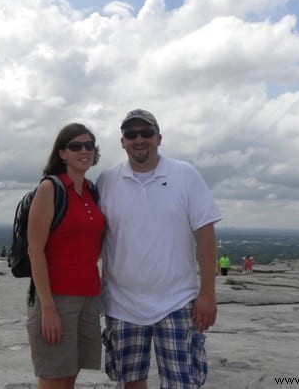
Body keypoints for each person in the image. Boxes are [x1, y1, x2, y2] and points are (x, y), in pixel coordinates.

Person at [97, 109, 222, 389]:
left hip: (177, 301)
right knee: (131, 383)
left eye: (146, 133)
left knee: (182, 382)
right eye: (131, 134)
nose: (139, 139)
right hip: (121, 303)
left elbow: (205, 237)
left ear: (159, 138)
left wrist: (208, 293)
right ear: (122, 142)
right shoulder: (107, 181)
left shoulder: (185, 174)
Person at [26, 123, 105, 389]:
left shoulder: (92, 192)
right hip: (57, 298)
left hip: (89, 296)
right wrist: (48, 308)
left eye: (89, 145)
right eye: (76, 146)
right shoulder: (51, 189)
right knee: (54, 376)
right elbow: (34, 249)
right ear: (62, 153)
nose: (84, 151)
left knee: (70, 374)